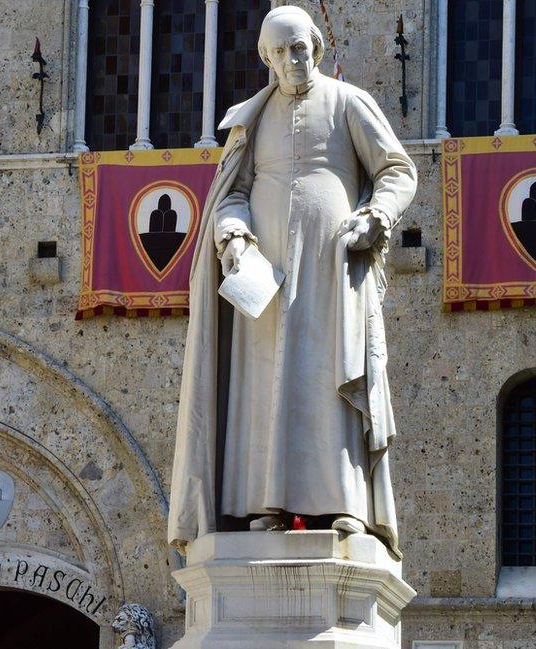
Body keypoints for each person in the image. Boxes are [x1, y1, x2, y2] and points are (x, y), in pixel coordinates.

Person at [168, 5, 417, 557]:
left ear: (316, 48)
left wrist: (375, 217)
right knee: (265, 386)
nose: (292, 60)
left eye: (300, 48)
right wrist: (233, 237)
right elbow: (232, 193)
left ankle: (347, 505)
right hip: (267, 278)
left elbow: (398, 170)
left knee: (332, 375)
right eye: (279, 52)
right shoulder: (253, 120)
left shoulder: (349, 103)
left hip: (333, 267)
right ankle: (268, 505)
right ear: (266, 59)